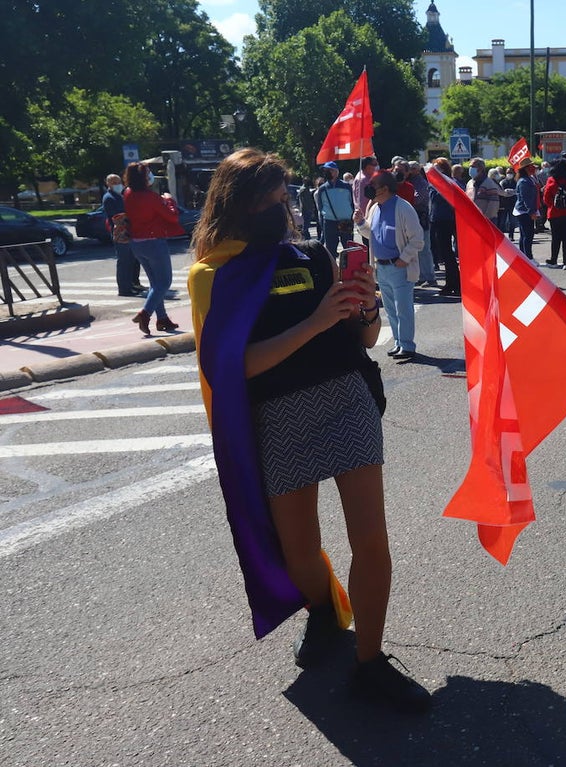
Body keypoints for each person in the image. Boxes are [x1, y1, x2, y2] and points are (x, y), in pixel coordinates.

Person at [187, 148, 431, 712]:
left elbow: (365, 342)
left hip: (346, 400)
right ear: (238, 205)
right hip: (277, 417)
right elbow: (234, 366)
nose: (282, 209)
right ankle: (324, 611)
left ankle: (369, 661)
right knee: (299, 552)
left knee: (370, 540)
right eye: (269, 201)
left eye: (284, 197)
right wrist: (317, 319)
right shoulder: (212, 277)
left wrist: (366, 308)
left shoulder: (314, 255)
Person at [356, 170, 424, 359]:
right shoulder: (375, 208)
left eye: (373, 185)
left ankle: (407, 345)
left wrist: (404, 258)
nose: (369, 188)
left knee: (403, 309)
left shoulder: (403, 208)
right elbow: (371, 234)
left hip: (399, 266)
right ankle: (398, 342)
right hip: (382, 267)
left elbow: (417, 239)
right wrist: (361, 223)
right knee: (391, 309)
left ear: (385, 188)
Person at [123, 161, 182, 336]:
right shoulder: (151, 197)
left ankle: (162, 318)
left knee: (155, 284)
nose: (150, 176)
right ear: (143, 177)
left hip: (136, 243)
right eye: (148, 172)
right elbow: (172, 217)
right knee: (164, 283)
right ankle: (145, 314)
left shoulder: (127, 194)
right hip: (154, 243)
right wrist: (169, 200)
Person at [102, 173, 144, 297]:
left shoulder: (119, 195)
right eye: (114, 182)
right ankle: (124, 289)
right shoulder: (109, 198)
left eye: (119, 181)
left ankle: (130, 285)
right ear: (108, 184)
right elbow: (116, 216)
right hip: (120, 233)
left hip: (127, 232)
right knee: (124, 262)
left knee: (130, 260)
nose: (118, 184)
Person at [428, 158, 461, 297]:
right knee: (445, 254)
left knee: (447, 254)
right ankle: (452, 282)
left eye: (437, 167)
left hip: (445, 220)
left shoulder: (446, 182)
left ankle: (455, 283)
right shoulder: (435, 183)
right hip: (436, 220)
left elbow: (441, 199)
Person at [316, 161, 354, 254]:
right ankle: (332, 268)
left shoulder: (347, 186)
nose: (327, 172)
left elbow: (352, 203)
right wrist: (322, 223)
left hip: (346, 221)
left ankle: (348, 268)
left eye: (330, 170)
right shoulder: (322, 189)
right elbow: (320, 208)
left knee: (348, 249)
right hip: (329, 223)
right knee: (330, 250)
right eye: (325, 170)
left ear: (336, 172)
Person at [513, 162, 540, 260]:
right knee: (527, 235)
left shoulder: (529, 179)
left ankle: (523, 256)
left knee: (525, 234)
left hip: (526, 210)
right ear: (526, 168)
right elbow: (526, 199)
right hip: (524, 211)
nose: (533, 168)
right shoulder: (524, 181)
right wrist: (531, 212)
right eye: (531, 166)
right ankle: (528, 257)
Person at [467, 159, 503, 225]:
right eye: (470, 167)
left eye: (473, 167)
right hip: (472, 219)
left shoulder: (489, 184)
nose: (470, 169)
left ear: (481, 169)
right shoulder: (469, 183)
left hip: (487, 221)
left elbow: (493, 205)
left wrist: (485, 219)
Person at [351, 156, 378, 232]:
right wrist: (365, 218)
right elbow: (361, 201)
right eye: (374, 164)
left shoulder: (367, 177)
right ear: (368, 167)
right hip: (367, 217)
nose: (376, 167)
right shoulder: (362, 180)